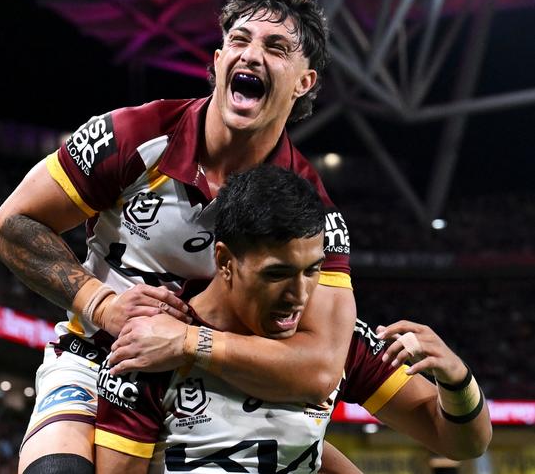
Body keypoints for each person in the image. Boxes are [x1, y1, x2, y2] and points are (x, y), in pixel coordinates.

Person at [0, 0, 355, 473]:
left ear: (304, 82)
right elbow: (11, 224)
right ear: (220, 59)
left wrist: (188, 345)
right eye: (240, 40)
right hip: (96, 361)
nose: (252, 54)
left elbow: (322, 366)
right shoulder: (133, 135)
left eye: (276, 47)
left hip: (217, 387)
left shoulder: (310, 210)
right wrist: (104, 304)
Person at [94, 166, 492, 474]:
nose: (299, 296)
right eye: (276, 274)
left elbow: (461, 443)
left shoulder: (337, 346)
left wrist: (456, 379)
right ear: (225, 262)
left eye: (312, 270)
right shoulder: (148, 348)